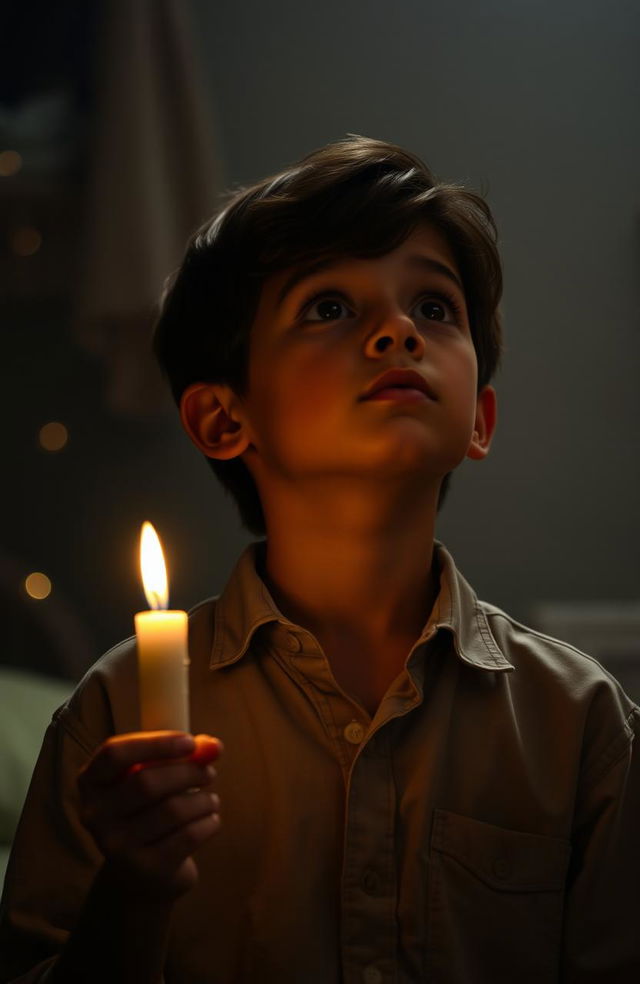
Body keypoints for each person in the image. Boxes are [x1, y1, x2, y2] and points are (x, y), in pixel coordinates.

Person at [1, 135, 638, 984]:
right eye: (330, 307)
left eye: (435, 307)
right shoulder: (116, 719)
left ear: (479, 417)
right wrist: (135, 890)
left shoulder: (580, 724)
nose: (397, 331)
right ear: (224, 421)